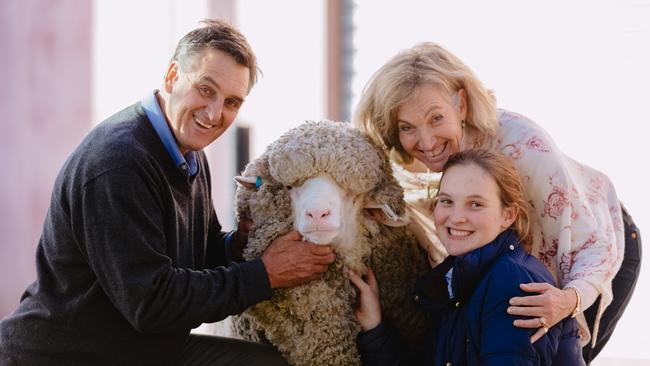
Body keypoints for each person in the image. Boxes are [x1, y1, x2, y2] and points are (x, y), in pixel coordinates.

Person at [0, 19, 336, 365]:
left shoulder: (189, 153)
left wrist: (239, 246)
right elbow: (151, 303)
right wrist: (265, 274)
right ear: (173, 76)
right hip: (69, 356)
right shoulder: (119, 163)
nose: (214, 114)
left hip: (143, 350)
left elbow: (198, 256)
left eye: (232, 102)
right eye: (205, 89)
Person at [354, 42, 641, 363]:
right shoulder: (416, 164)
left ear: (460, 104)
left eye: (436, 118)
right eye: (407, 127)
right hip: (516, 256)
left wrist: (569, 301)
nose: (427, 141)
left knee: (552, 339)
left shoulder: (524, 147)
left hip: (595, 242)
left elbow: (595, 245)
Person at [351, 149, 585, 365]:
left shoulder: (513, 283)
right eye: (447, 201)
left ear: (508, 215)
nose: (457, 217)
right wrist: (374, 327)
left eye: (475, 204)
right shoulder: (457, 278)